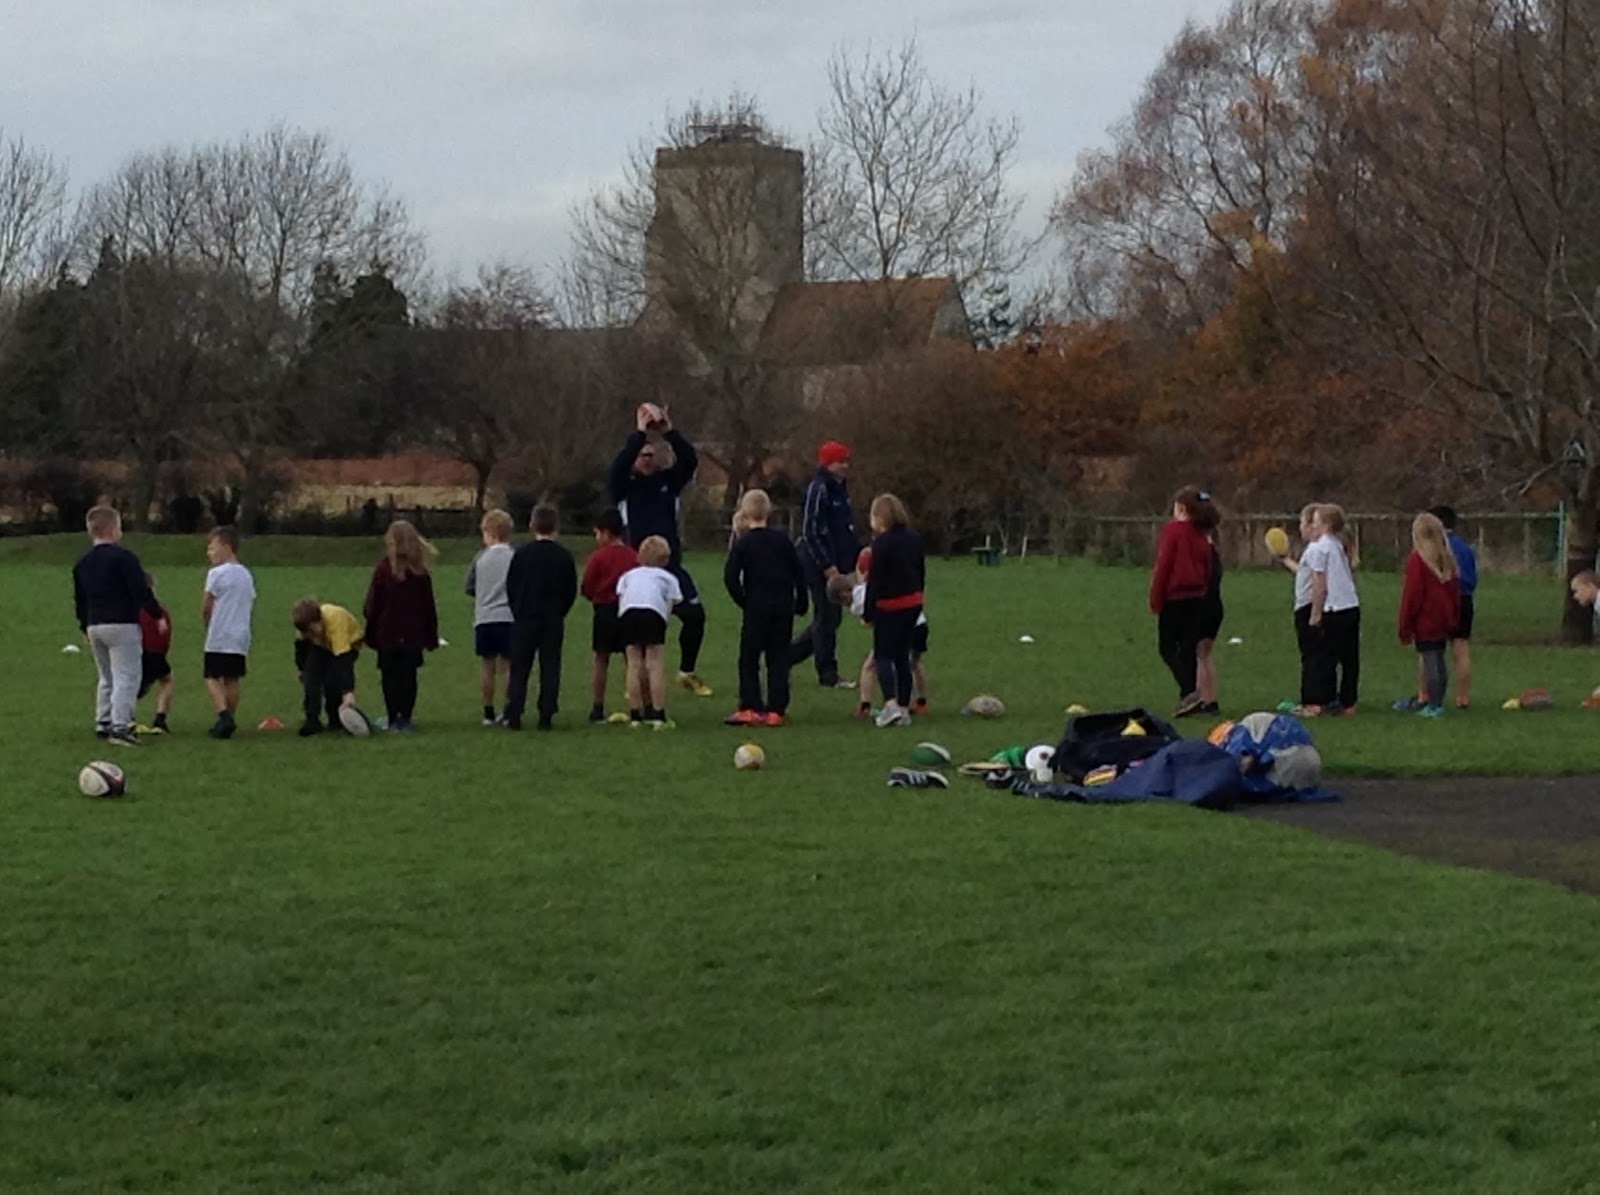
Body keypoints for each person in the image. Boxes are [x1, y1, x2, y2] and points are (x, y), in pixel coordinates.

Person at [607, 403, 712, 697]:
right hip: (638, 569)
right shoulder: (624, 486)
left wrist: (669, 432)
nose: (647, 459)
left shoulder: (668, 481)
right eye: (642, 454)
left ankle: (687, 672)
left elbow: (689, 460)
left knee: (695, 615)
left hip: (671, 565)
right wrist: (640, 433)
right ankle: (636, 680)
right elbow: (616, 468)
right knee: (640, 627)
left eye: (651, 455)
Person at [72, 505, 163, 747]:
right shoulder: (124, 558)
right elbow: (140, 590)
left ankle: (103, 721)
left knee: (106, 676)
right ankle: (120, 726)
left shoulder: (82, 563)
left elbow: (80, 599)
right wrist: (156, 614)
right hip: (122, 622)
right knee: (127, 676)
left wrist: (84, 626)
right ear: (113, 529)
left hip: (95, 624)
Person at [722, 489, 807, 728]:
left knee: (749, 657)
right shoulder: (783, 541)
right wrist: (801, 601)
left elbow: (730, 577)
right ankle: (776, 710)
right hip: (783, 606)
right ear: (769, 511)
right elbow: (798, 572)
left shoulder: (744, 543)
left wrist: (743, 600)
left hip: (756, 606)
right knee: (779, 657)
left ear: (744, 512)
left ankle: (750, 706)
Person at [790, 440, 860, 688]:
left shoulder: (840, 490)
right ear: (827, 463)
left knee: (830, 618)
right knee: (826, 617)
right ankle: (827, 673)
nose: (845, 466)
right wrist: (826, 565)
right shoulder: (819, 488)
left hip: (837, 564)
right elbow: (810, 529)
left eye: (846, 461)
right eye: (840, 461)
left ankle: (786, 657)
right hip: (818, 564)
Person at [504, 505, 577, 731]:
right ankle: (546, 713)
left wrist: (517, 609)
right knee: (550, 665)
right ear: (557, 526)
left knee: (519, 667)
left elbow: (511, 585)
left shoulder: (521, 554)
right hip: (552, 618)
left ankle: (514, 711)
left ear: (532, 525)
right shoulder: (564, 556)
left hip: (525, 617)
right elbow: (570, 589)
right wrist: (561, 611)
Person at [363, 520, 439, 732]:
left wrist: (370, 628)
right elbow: (428, 607)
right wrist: (431, 635)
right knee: (409, 676)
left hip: (387, 634)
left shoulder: (383, 569)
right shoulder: (420, 573)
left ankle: (392, 717)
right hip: (413, 635)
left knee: (390, 677)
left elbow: (372, 604)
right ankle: (405, 718)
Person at [836, 548, 930, 719]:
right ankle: (921, 702)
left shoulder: (858, 601)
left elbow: (871, 620)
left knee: (872, 665)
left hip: (897, 628)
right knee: (915, 663)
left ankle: (867, 706)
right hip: (919, 622)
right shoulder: (882, 584)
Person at [1148, 487, 1218, 718]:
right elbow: (1208, 567)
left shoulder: (1174, 531)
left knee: (1167, 647)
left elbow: (1164, 564)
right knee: (1187, 648)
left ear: (1181, 508)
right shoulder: (1202, 534)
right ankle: (1188, 698)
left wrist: (1156, 597)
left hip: (1175, 597)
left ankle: (1190, 692)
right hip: (1197, 598)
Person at [863, 493, 925, 728]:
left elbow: (875, 582)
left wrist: (868, 613)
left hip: (890, 605)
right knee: (902, 656)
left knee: (883, 655)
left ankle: (890, 704)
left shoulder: (881, 544)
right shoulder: (914, 539)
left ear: (879, 518)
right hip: (913, 602)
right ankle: (904, 706)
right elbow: (920, 571)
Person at [1396, 512, 1460, 718]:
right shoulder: (1447, 559)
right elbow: (1454, 592)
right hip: (1443, 619)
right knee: (1439, 659)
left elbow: (1412, 595)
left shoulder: (1418, 560)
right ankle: (1437, 700)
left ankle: (1434, 703)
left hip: (1426, 620)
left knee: (1431, 660)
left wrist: (1405, 624)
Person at [617, 535, 683, 728]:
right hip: (652, 613)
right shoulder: (668, 578)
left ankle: (635, 714)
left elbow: (621, 596)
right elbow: (670, 603)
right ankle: (658, 714)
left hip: (628, 613)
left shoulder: (628, 575)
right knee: (654, 663)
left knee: (633, 663)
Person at [580, 507, 638, 723]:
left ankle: (597, 707)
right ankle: (637, 705)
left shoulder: (598, 557)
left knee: (600, 659)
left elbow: (587, 586)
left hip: (604, 610)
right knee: (632, 659)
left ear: (605, 532)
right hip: (628, 609)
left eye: (597, 533)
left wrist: (595, 596)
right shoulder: (633, 556)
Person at [1304, 503, 1362, 715]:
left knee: (1325, 657)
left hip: (1333, 608)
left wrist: (1315, 613)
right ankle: (1348, 701)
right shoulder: (1338, 545)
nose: (1313, 525)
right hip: (1350, 605)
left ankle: (1321, 700)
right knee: (1350, 657)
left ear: (1326, 525)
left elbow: (1320, 584)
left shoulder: (1318, 548)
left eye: (1316, 522)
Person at [201, 525, 256, 739]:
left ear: (226, 546)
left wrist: (206, 621)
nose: (209, 553)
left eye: (212, 547)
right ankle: (228, 720)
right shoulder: (246, 574)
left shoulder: (216, 573)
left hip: (221, 633)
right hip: (240, 635)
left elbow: (207, 603)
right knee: (232, 679)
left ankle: (224, 716)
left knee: (211, 676)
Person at [465, 509, 516, 726]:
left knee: (488, 666)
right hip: (509, 617)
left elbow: (469, 586)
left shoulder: (480, 558)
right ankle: (508, 709)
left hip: (485, 618)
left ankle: (488, 711)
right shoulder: (515, 556)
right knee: (509, 666)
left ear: (490, 533)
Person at [292, 598, 367, 736]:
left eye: (311, 631)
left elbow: (343, 660)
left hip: (348, 645)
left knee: (333, 681)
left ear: (319, 621)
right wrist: (302, 669)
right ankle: (312, 720)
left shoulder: (336, 620)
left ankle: (336, 719)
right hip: (323, 645)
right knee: (311, 681)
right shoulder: (305, 625)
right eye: (306, 632)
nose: (309, 635)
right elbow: (301, 647)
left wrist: (348, 692)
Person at [1430, 505, 1477, 709]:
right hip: (1465, 599)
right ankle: (1463, 697)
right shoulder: (1466, 548)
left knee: (1431, 649)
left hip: (1442, 599)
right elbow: (1473, 578)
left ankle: (1426, 694)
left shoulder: (1435, 548)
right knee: (1461, 648)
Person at [137, 571, 174, 735]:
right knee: (167, 680)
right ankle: (160, 719)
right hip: (158, 654)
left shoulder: (134, 608)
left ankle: (123, 720)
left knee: (129, 688)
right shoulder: (160, 610)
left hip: (141, 652)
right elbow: (166, 634)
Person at [1194, 524, 1225, 714]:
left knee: (1200, 653)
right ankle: (1209, 698)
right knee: (1205, 653)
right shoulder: (1213, 552)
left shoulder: (1204, 552)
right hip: (1214, 606)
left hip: (1204, 606)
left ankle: (1204, 699)